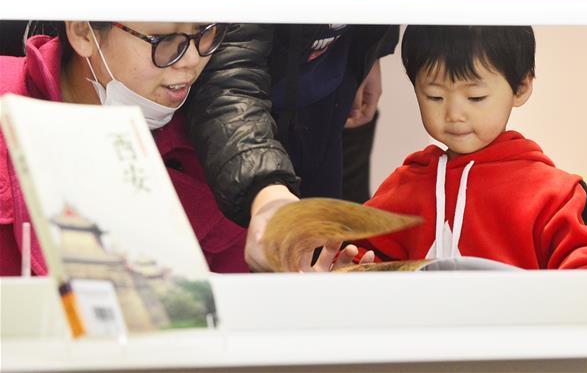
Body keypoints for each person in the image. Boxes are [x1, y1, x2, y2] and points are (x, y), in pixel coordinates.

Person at [0, 21, 361, 276]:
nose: (190, 61)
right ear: (83, 32)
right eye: (165, 42)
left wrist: (294, 295)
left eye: (205, 35)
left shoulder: (205, 153)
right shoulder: (8, 98)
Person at [354, 26, 587, 269]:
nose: (454, 114)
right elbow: (364, 259)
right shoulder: (402, 188)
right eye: (435, 96)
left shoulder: (552, 194)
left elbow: (584, 263)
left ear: (521, 88)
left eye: (475, 97)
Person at [185, 23, 396, 271]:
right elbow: (229, 82)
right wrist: (266, 193)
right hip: (237, 130)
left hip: (329, 97)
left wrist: (371, 51)